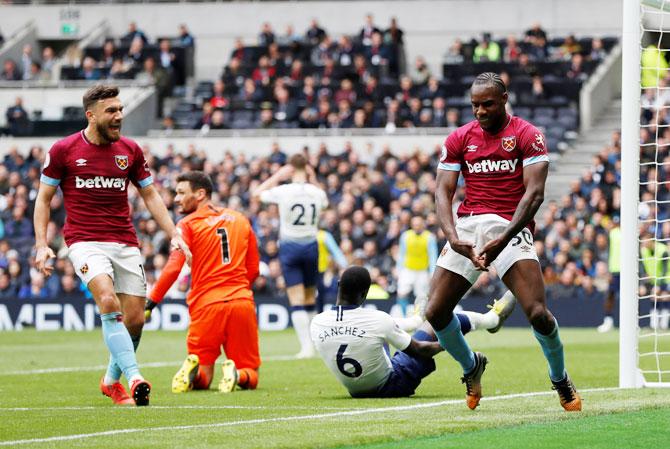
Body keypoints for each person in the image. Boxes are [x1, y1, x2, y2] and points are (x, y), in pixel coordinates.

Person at [425, 72, 581, 412]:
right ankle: (471, 367)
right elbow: (442, 190)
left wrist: (504, 237)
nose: (479, 111)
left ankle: (559, 378)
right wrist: (453, 238)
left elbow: (535, 194)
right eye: (474, 105)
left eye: (487, 104)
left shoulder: (528, 135)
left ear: (504, 98)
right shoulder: (458, 138)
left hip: (511, 224)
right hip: (468, 226)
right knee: (434, 312)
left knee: (538, 313)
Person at [33, 84, 191, 406]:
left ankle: (110, 381)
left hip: (124, 241)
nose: (119, 116)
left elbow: (149, 194)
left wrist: (174, 232)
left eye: (120, 109)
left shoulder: (130, 151)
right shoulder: (64, 150)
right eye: (112, 111)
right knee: (107, 299)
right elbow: (44, 199)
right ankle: (134, 377)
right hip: (84, 241)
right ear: (91, 115)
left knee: (135, 319)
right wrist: (41, 244)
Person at [310, 266, 516, 398]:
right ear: (365, 293)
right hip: (393, 384)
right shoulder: (376, 319)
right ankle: (492, 320)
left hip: (354, 390)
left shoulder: (317, 323)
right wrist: (451, 342)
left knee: (378, 336)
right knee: (438, 321)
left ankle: (417, 317)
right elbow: (420, 351)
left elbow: (374, 328)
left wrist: (415, 321)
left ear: (338, 286)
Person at [145, 171, 261, 393]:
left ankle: (193, 373)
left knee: (204, 376)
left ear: (200, 194)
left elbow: (173, 267)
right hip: (240, 302)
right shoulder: (241, 219)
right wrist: (237, 289)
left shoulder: (187, 224)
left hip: (205, 305)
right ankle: (237, 375)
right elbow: (254, 269)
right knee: (251, 372)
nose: (176, 199)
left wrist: (151, 302)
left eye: (180, 193)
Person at [252, 154, 328, 358]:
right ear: (307, 168)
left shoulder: (283, 190)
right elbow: (325, 202)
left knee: (296, 299)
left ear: (290, 169)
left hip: (290, 247)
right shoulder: (315, 192)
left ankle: (306, 348)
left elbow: (256, 194)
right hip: (311, 246)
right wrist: (313, 179)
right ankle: (317, 346)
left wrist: (277, 176)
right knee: (311, 297)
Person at [395, 215, 438, 317]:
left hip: (422, 271)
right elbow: (401, 253)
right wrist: (398, 269)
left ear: (423, 224)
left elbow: (433, 255)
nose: (416, 226)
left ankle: (418, 318)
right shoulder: (405, 236)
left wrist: (432, 273)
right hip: (407, 270)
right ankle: (405, 316)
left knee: (421, 297)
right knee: (401, 294)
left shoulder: (429, 237)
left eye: (418, 224)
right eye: (414, 224)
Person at [316, 229, 348, 312]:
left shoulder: (323, 235)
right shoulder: (323, 235)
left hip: (320, 271)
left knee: (318, 296)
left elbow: (336, 252)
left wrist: (344, 266)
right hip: (313, 271)